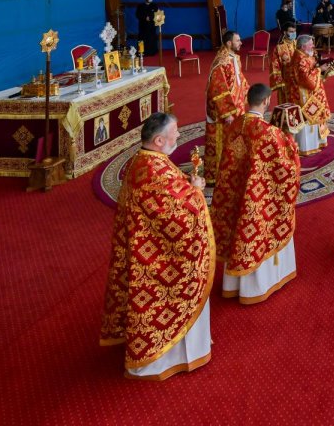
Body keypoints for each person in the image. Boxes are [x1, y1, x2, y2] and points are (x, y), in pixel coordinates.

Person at [101, 113, 212, 380]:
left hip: (147, 244)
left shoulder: (146, 161)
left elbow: (168, 198)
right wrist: (195, 191)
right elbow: (176, 214)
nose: (178, 136)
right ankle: (162, 354)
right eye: (174, 133)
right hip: (158, 254)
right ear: (159, 139)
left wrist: (187, 186)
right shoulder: (154, 170)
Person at [213, 83, 300, 304]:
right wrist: (290, 140)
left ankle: (234, 285)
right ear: (266, 102)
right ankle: (258, 286)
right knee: (257, 231)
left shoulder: (235, 125)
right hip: (257, 199)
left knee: (237, 230)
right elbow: (287, 167)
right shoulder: (268, 132)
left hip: (235, 191)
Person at [205, 30, 246, 184]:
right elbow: (217, 88)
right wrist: (226, 112)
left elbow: (239, 79)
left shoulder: (234, 57)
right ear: (229, 43)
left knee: (236, 137)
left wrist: (248, 95)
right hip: (226, 111)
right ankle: (220, 172)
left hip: (237, 105)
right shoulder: (221, 61)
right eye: (238, 40)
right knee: (223, 138)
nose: (241, 43)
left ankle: (234, 166)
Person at [292, 35, 331, 153]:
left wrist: (319, 65)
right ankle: (308, 146)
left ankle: (318, 141)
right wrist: (320, 70)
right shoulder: (301, 59)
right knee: (309, 117)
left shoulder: (303, 55)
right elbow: (307, 80)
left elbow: (311, 70)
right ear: (303, 46)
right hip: (305, 95)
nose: (313, 46)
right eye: (310, 44)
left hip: (310, 92)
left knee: (315, 114)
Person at [269, 24, 299, 105]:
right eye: (291, 31)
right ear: (285, 32)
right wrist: (279, 82)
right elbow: (275, 66)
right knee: (286, 102)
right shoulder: (279, 48)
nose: (293, 33)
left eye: (294, 31)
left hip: (299, 79)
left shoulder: (299, 44)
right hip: (286, 81)